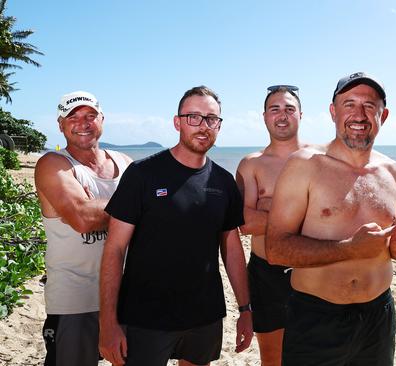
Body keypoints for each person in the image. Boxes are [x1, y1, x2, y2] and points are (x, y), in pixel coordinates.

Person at [265, 72, 396, 366]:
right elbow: (276, 250)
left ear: (384, 115)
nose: (359, 114)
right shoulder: (305, 166)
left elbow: (394, 250)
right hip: (317, 318)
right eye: (349, 104)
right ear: (333, 112)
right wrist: (348, 249)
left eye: (369, 105)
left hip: (378, 318)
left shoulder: (395, 174)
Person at [99, 86, 253, 366]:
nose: (203, 126)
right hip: (144, 317)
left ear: (219, 126)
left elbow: (232, 249)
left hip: (204, 316)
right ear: (177, 122)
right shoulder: (142, 174)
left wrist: (245, 309)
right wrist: (108, 321)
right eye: (193, 116)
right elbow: (115, 249)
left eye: (211, 119)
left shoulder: (223, 182)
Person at [34, 91, 132, 366]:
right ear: (60, 125)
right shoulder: (53, 165)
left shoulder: (125, 164)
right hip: (75, 300)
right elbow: (82, 218)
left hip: (127, 296)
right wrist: (138, 202)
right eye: (73, 117)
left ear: (102, 119)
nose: (83, 123)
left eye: (90, 116)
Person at [236, 85, 308, 365]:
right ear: (264, 116)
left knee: (316, 353)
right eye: (274, 109)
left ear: (300, 114)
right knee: (273, 358)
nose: (282, 115)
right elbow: (244, 222)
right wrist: (302, 216)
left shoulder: (321, 158)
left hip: (314, 270)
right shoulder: (251, 164)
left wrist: (268, 208)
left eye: (289, 109)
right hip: (267, 275)